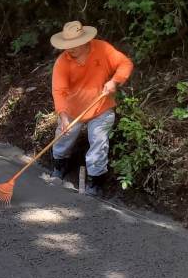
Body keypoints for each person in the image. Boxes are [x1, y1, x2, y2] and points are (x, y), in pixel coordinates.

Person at [49, 20, 134, 196]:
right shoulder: (62, 62)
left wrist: (114, 81)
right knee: (63, 138)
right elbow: (59, 91)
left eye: (74, 45)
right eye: (67, 45)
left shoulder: (103, 49)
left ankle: (95, 183)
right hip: (72, 110)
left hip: (100, 106)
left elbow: (125, 64)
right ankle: (60, 165)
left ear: (85, 41)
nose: (70, 49)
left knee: (98, 140)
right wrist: (63, 117)